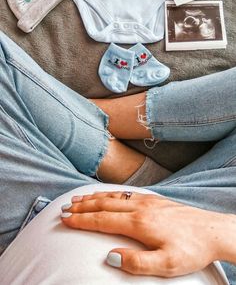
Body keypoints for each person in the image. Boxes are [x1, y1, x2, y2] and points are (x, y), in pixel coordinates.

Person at [0, 30, 235, 282]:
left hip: (45, 226)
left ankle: (85, 123)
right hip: (205, 221)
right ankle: (105, 137)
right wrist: (221, 233)